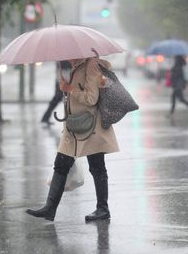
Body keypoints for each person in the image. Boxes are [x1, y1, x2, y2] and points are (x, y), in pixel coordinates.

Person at [26, 57, 119, 222]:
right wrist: (66, 89)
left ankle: (103, 209)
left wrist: (70, 88)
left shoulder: (91, 65)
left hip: (90, 126)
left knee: (97, 167)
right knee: (61, 164)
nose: (67, 56)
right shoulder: (77, 66)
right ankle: (50, 208)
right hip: (76, 126)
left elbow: (91, 98)